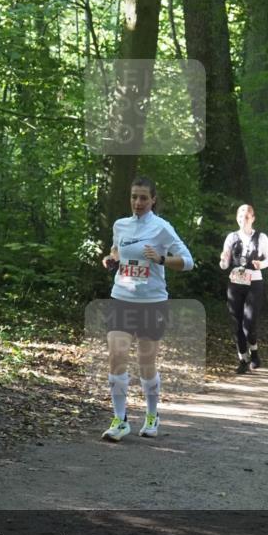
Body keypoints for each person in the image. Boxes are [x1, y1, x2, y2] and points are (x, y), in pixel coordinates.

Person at [100, 177, 194, 441]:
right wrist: (110, 260)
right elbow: (116, 252)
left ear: (153, 200)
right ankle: (120, 420)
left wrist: (162, 259)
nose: (138, 203)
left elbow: (188, 262)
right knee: (116, 355)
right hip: (121, 297)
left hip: (152, 302)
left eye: (143, 198)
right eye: (134, 197)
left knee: (145, 363)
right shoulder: (121, 225)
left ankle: (152, 415)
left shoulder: (162, 228)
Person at [219, 204, 268, 374]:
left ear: (253, 218)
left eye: (247, 215)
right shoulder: (231, 237)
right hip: (235, 282)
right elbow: (224, 265)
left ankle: (255, 351)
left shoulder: (261, 237)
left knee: (249, 323)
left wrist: (261, 264)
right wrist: (223, 259)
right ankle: (243, 358)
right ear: (237, 218)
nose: (244, 218)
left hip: (254, 282)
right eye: (241, 215)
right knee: (236, 323)